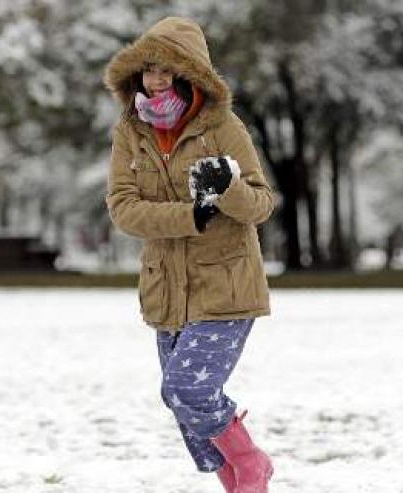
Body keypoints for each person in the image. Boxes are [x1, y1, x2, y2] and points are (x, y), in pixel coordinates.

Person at [102, 16, 276, 493]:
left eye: (166, 70)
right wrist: (191, 215)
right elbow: (123, 208)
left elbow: (261, 204)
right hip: (167, 292)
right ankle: (240, 485)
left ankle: (253, 465)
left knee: (188, 389)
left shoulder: (223, 126)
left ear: (190, 73)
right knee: (182, 405)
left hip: (225, 287)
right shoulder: (131, 130)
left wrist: (228, 189)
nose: (155, 80)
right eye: (148, 69)